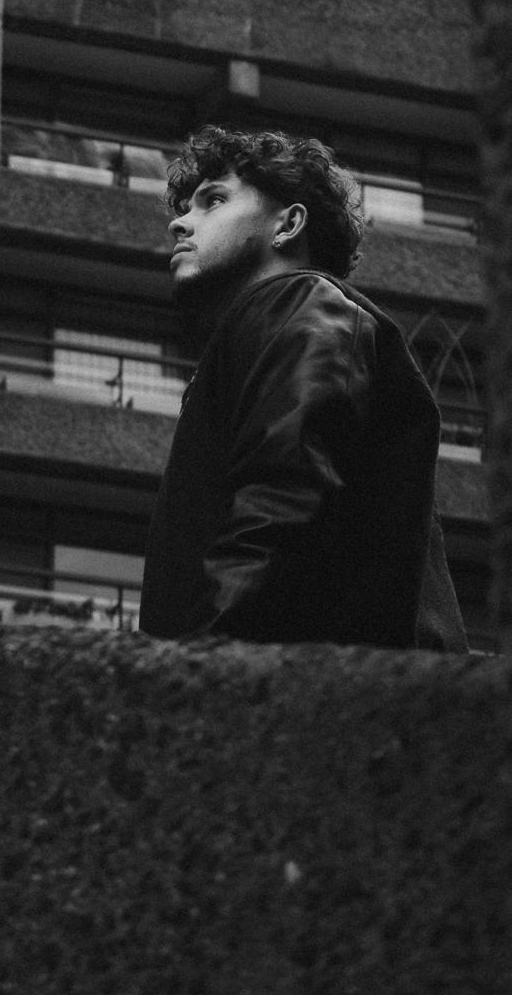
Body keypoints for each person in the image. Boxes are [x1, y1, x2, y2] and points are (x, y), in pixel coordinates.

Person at [138, 125, 468, 650]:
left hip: (287, 691)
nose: (180, 222)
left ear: (288, 224)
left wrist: (202, 655)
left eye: (213, 201)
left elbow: (285, 492)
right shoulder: (275, 326)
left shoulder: (301, 304)